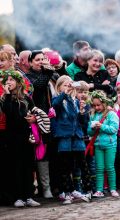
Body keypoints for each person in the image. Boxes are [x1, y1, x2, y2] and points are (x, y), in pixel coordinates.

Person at [0, 70, 40, 207]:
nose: (8, 82)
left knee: (28, 166)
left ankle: (28, 195)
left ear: (18, 82)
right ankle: (18, 197)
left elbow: (35, 112)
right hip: (12, 137)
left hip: (26, 137)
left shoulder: (27, 98)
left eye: (11, 80)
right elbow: (8, 111)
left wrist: (34, 119)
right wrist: (7, 93)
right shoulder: (5, 98)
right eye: (7, 80)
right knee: (16, 166)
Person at [52, 75, 91, 205]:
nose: (68, 86)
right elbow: (55, 104)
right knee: (65, 166)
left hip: (77, 136)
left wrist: (81, 112)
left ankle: (88, 191)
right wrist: (65, 93)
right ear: (59, 87)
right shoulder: (58, 99)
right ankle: (68, 193)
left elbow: (84, 122)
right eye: (65, 85)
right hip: (64, 136)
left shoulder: (76, 101)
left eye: (70, 84)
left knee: (82, 164)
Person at [26, 50, 58, 199]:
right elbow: (38, 86)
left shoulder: (49, 73)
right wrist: (47, 71)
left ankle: (55, 186)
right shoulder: (28, 76)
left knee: (52, 152)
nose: (40, 62)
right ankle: (45, 188)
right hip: (36, 119)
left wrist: (54, 69)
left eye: (43, 59)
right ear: (30, 62)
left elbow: (60, 80)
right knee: (41, 153)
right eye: (37, 60)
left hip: (50, 118)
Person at [87, 90, 119, 197]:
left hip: (110, 144)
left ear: (104, 103)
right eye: (94, 105)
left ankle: (113, 188)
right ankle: (99, 190)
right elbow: (89, 132)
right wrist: (92, 128)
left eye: (98, 105)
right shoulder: (93, 115)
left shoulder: (111, 114)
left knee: (110, 167)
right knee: (99, 168)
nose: (96, 108)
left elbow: (114, 129)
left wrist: (102, 126)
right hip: (98, 145)